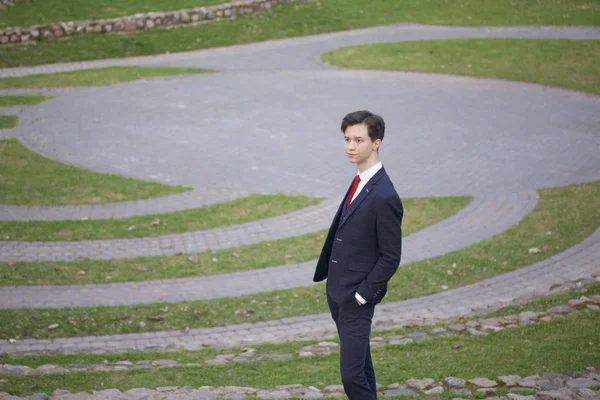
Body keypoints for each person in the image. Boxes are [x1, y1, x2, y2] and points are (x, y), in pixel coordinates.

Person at [313, 110, 403, 400]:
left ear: (376, 143)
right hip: (338, 293)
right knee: (362, 368)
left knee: (352, 377)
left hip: (356, 299)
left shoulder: (384, 195)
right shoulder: (360, 180)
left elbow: (390, 256)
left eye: (359, 140)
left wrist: (363, 295)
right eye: (347, 139)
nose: (351, 147)